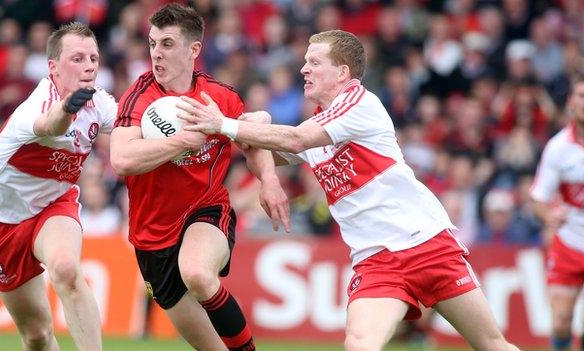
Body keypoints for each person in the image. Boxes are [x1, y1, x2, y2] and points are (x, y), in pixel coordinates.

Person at [178, 30, 520, 351]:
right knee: (358, 344)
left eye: (314, 62)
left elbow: (295, 139)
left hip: (426, 244)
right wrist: (254, 133)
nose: (303, 69)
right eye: (305, 61)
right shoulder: (320, 120)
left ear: (342, 73)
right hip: (375, 261)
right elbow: (266, 151)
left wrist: (226, 125)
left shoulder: (358, 102)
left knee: (491, 345)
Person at [109, 4, 289, 351]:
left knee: (197, 272)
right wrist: (182, 141)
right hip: (151, 236)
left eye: (167, 44)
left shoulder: (218, 97)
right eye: (152, 43)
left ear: (194, 49)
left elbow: (252, 140)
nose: (156, 54)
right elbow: (121, 159)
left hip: (204, 211)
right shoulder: (139, 95)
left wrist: (269, 181)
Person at [0, 22, 114, 351]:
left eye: (93, 58)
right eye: (77, 58)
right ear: (53, 67)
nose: (89, 65)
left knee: (66, 268)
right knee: (36, 335)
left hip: (53, 205)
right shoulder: (35, 107)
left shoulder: (100, 103)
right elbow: (50, 124)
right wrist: (68, 107)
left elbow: (134, 127)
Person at [530, 73, 584, 351]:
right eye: (582, 96)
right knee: (562, 321)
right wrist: (548, 216)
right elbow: (538, 199)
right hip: (569, 243)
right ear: (571, 101)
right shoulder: (558, 148)